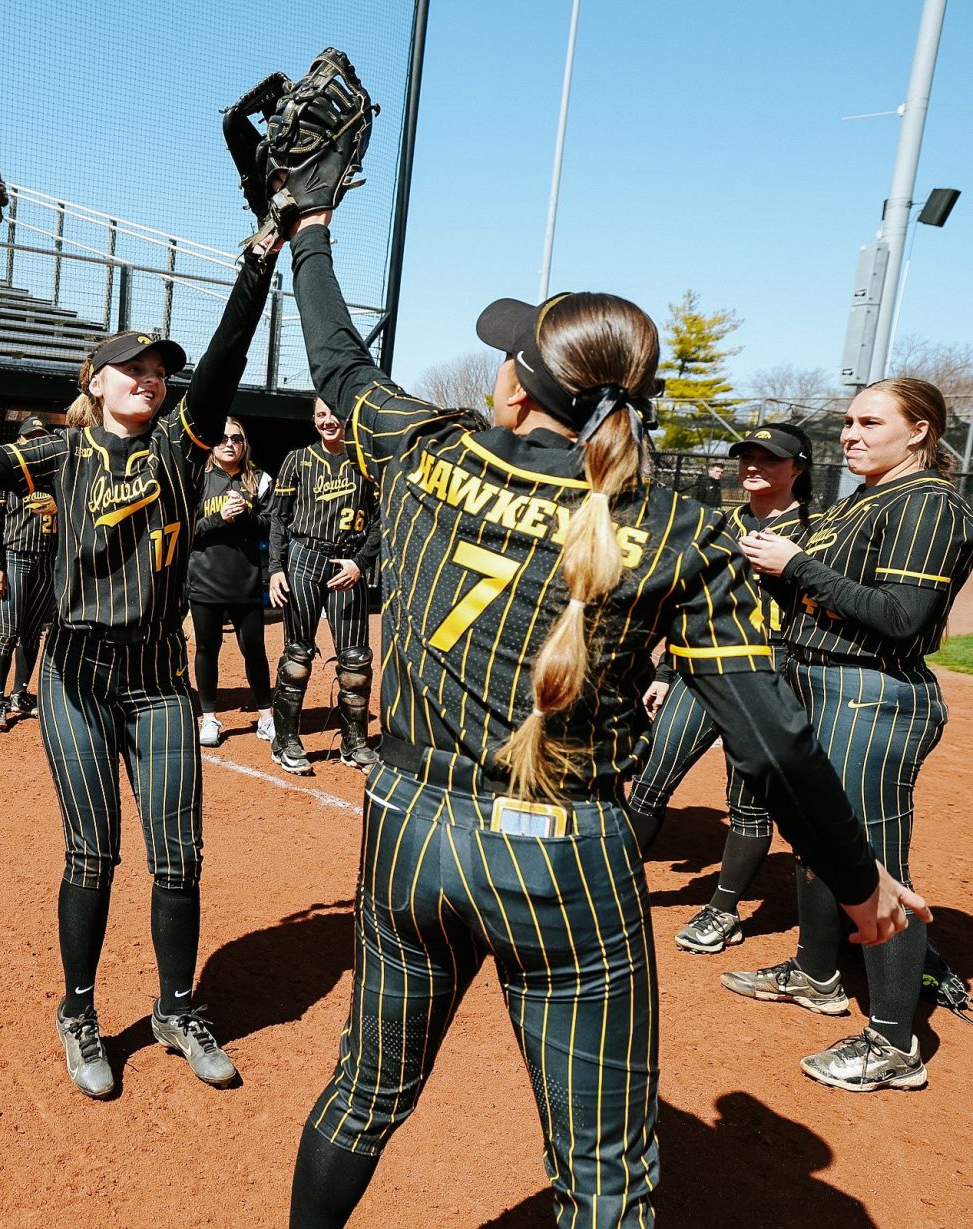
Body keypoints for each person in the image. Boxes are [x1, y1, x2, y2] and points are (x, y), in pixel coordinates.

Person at [276, 203, 929, 1227]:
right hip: (563, 852)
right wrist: (859, 882)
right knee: (606, 1180)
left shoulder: (426, 450)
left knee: (364, 1095)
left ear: (522, 385)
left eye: (506, 353)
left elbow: (338, 360)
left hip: (407, 827)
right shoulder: (677, 523)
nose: (495, 364)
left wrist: (307, 233)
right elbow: (771, 735)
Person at [0, 241, 279, 1099]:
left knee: (179, 854)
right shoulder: (62, 453)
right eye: (131, 366)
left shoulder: (184, 448)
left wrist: (259, 260)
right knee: (93, 852)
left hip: (157, 677)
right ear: (94, 382)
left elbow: (222, 362)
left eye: (156, 368)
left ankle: (178, 1008)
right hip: (74, 674)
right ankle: (79, 1011)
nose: (149, 376)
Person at [723, 377, 973, 1092]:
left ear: (920, 431)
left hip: (871, 692)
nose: (852, 433)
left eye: (871, 421)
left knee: (876, 863)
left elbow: (900, 617)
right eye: (850, 421)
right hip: (816, 681)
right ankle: (816, 971)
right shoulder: (862, 498)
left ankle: (896, 1044)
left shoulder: (930, 503)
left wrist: (796, 564)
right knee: (818, 841)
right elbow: (818, 593)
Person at [628, 423, 814, 953]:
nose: (754, 466)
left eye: (770, 459)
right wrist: (664, 672)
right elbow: (683, 604)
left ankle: (723, 909)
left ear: (797, 469)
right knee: (650, 777)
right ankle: (612, 884)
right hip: (698, 667)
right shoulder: (717, 523)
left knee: (748, 803)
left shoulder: (817, 529)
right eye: (747, 457)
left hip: (769, 675)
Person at [267, 397, 380, 775]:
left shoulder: (367, 463)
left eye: (333, 413)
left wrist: (361, 563)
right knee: (297, 657)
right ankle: (284, 739)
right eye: (320, 415)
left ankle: (355, 742)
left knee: (355, 661)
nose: (327, 421)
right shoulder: (297, 460)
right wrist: (275, 569)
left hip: (348, 563)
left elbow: (382, 520)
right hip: (304, 558)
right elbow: (279, 520)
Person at [189, 415, 272, 747]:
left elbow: (271, 527)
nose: (229, 444)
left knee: (254, 650)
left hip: (245, 580)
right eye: (222, 438)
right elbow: (188, 532)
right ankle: (208, 717)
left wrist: (248, 516)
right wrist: (219, 519)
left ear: (244, 443)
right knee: (207, 648)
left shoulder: (260, 480)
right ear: (211, 442)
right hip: (205, 580)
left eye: (236, 438)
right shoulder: (197, 479)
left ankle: (266, 717)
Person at [0, 416, 58, 732]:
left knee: (32, 632)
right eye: (31, 437)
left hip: (46, 562)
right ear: (20, 440)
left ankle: (20, 694)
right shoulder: (4, 473)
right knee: (6, 632)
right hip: (14, 558)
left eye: (42, 437)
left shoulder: (56, 475)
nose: (37, 442)